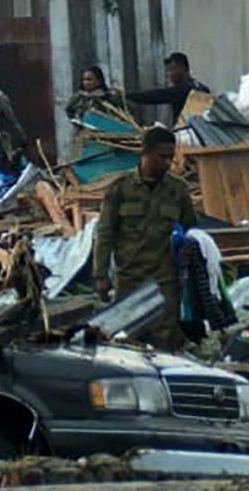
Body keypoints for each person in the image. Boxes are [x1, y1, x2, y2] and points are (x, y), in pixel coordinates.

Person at [93, 127, 197, 350]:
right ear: (145, 153)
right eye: (162, 156)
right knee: (127, 339)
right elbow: (105, 232)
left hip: (165, 280)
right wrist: (100, 274)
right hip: (129, 278)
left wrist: (189, 248)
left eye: (171, 156)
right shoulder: (120, 189)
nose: (168, 162)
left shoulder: (178, 190)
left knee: (167, 342)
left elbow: (191, 229)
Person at [126, 52, 211, 124]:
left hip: (187, 134)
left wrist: (127, 96)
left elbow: (154, 96)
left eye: (172, 69)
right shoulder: (202, 87)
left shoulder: (182, 90)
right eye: (168, 70)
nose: (169, 74)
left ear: (183, 68)